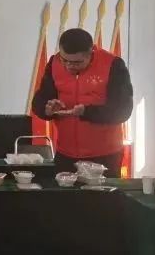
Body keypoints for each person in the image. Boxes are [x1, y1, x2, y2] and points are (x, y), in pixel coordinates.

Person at [32, 28, 133, 177]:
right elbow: (39, 100)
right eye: (64, 60)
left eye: (77, 62)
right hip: (66, 154)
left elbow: (123, 110)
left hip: (105, 155)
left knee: (102, 193)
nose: (69, 66)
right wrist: (46, 109)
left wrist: (87, 112)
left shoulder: (112, 64)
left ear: (91, 52)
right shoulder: (54, 63)